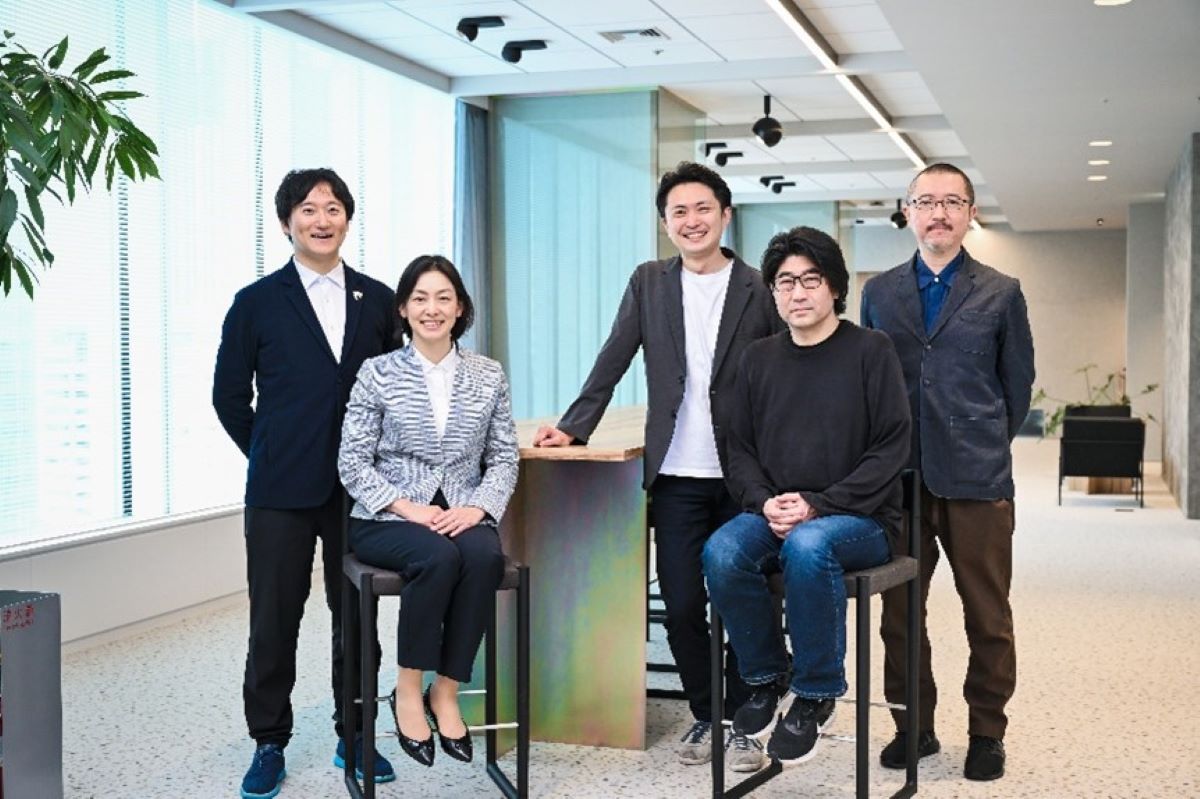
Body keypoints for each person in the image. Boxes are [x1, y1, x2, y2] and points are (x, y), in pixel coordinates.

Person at [532, 162, 782, 771]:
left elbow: (786, 375)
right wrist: (574, 426)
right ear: (666, 223)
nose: (692, 221)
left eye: (703, 209)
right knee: (682, 602)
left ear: (725, 215)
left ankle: (748, 718)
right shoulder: (649, 282)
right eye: (679, 212)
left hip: (745, 476)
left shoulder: (758, 287)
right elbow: (614, 355)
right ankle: (708, 711)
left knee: (746, 599)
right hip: (674, 475)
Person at [213, 168, 397, 799]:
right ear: (286, 221)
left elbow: (394, 390)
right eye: (310, 209)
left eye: (334, 208)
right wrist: (270, 450)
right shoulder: (256, 302)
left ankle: (357, 733)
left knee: (357, 618)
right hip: (278, 492)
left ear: (348, 218)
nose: (323, 219)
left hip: (358, 491)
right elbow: (229, 397)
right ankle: (269, 741)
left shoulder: (378, 300)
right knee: (273, 619)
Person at [702, 226, 911, 766]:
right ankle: (767, 677)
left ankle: (817, 692)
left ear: (835, 287)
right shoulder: (757, 359)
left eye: (810, 280)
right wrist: (763, 501)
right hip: (778, 511)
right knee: (722, 551)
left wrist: (819, 504)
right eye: (785, 282)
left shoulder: (871, 350)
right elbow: (739, 448)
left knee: (809, 545)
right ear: (773, 292)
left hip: (860, 518)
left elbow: (892, 445)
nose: (798, 293)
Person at [861, 162, 1035, 782]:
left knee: (987, 613)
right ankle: (915, 727)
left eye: (952, 202)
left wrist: (978, 440)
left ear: (970, 213)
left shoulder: (1002, 292)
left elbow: (1017, 388)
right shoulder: (879, 293)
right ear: (907, 211)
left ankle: (987, 732)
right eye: (926, 202)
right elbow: (869, 386)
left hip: (977, 480)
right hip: (899, 482)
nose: (939, 213)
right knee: (900, 615)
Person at [338, 255, 519, 769]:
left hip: (463, 508)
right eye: (420, 298)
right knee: (437, 557)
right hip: (387, 516)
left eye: (443, 298)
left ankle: (446, 689)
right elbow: (351, 461)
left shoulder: (488, 374)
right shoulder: (377, 373)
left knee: (483, 558)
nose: (431, 309)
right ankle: (408, 688)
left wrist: (477, 507)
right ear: (403, 308)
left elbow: (504, 457)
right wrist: (407, 507)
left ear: (460, 308)